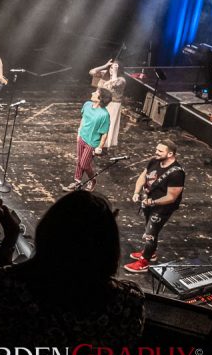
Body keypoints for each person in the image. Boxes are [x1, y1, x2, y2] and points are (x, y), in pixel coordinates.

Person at [0, 190, 144, 355]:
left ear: (47, 235)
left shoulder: (7, 288)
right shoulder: (127, 302)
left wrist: (11, 237)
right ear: (107, 246)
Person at [125, 140, 185, 272]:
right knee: (149, 229)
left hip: (163, 207)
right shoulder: (154, 161)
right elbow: (142, 177)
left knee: (150, 234)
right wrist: (136, 192)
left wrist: (153, 202)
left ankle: (144, 262)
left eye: (160, 151)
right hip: (149, 202)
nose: (156, 152)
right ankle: (150, 253)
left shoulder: (176, 173)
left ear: (170, 154)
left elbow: (171, 197)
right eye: (157, 149)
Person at [63, 87, 111, 192]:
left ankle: (92, 180)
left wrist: (100, 147)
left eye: (96, 92)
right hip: (82, 137)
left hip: (92, 142)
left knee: (84, 163)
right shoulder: (87, 105)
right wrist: (79, 132)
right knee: (79, 161)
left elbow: (104, 133)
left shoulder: (104, 114)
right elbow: (83, 119)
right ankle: (77, 182)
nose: (93, 93)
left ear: (100, 98)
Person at [89, 58, 126, 150]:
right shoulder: (105, 74)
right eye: (111, 68)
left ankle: (103, 144)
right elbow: (92, 72)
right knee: (97, 121)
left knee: (107, 124)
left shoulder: (121, 80)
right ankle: (95, 139)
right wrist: (105, 66)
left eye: (114, 68)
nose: (111, 70)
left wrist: (115, 73)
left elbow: (113, 84)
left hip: (113, 104)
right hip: (100, 101)